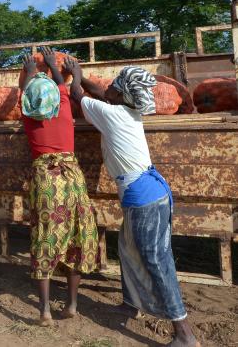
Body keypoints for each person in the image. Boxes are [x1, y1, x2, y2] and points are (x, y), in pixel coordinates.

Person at [65, 58, 200, 347]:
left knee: (156, 260)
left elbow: (78, 95)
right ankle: (131, 304)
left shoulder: (113, 115)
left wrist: (74, 76)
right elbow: (101, 93)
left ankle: (185, 334)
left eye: (114, 84)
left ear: (121, 94)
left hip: (144, 198)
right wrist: (83, 75)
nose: (108, 87)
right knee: (127, 249)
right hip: (147, 192)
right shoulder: (125, 110)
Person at [20, 47, 99, 327]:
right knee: (75, 237)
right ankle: (73, 305)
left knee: (45, 237)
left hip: (46, 180)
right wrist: (54, 65)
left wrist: (30, 72)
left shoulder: (29, 119)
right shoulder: (64, 107)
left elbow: (26, 92)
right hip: (72, 178)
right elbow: (62, 86)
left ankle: (44, 312)